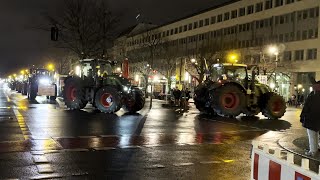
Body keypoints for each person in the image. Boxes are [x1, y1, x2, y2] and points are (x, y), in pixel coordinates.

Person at [300, 81, 320, 156]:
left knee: (312, 136)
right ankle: (316, 148)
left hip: (311, 119)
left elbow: (306, 108)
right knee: (316, 134)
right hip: (317, 120)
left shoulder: (312, 96)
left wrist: (302, 117)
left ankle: (313, 151)